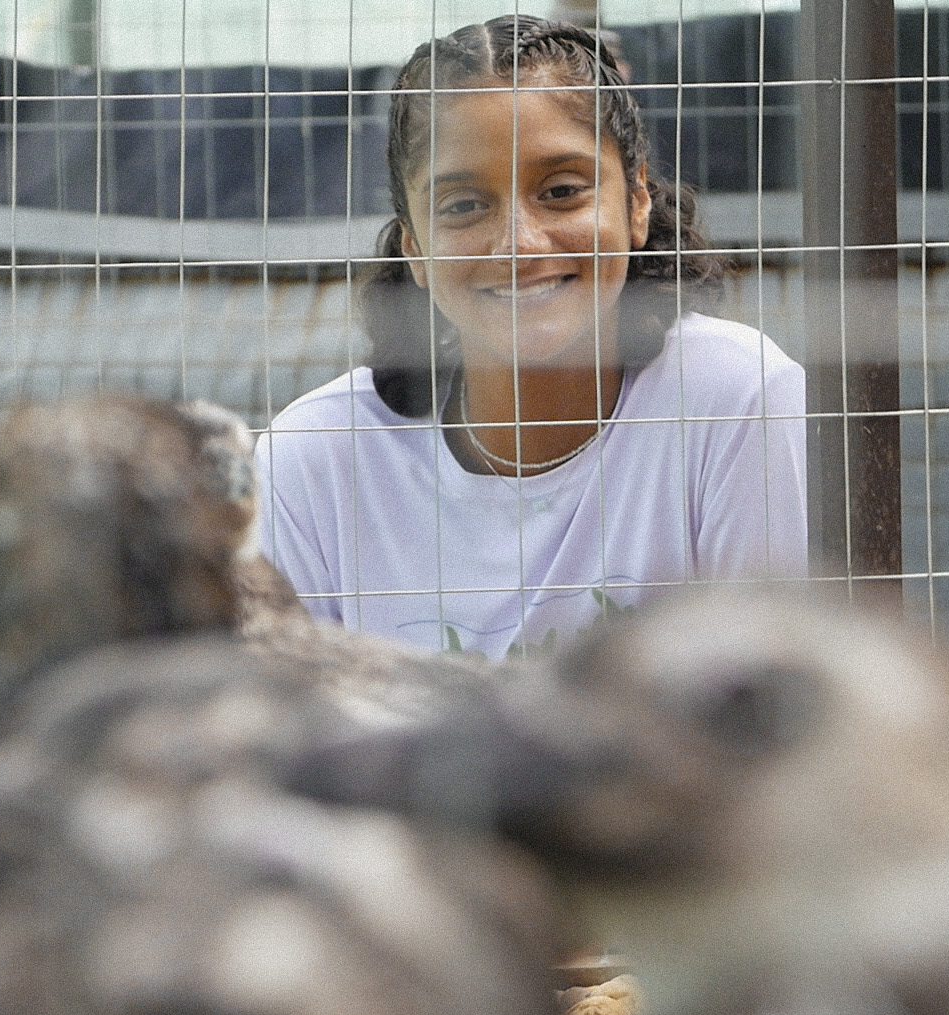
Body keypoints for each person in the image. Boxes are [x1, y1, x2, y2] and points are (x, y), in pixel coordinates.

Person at [255, 14, 806, 659]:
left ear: (636, 203)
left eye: (561, 191)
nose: (518, 244)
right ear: (415, 248)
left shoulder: (735, 399)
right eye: (463, 206)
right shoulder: (313, 457)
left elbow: (776, 698)